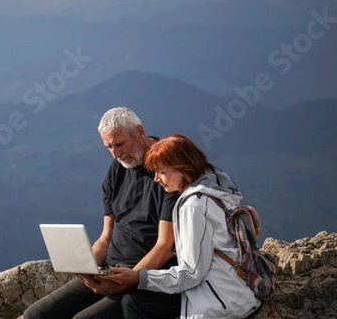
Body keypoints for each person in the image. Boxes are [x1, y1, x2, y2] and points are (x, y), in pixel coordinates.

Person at [23, 107, 181, 319]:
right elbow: (106, 236)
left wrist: (131, 278)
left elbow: (165, 245)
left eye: (119, 144)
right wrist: (86, 268)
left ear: (140, 132)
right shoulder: (117, 170)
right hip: (111, 270)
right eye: (109, 147)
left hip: (145, 276)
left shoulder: (168, 172)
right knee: (36, 314)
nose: (116, 154)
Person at [107, 134, 262, 319]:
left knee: (133, 303)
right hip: (232, 290)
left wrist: (139, 277)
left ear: (183, 169)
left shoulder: (194, 207)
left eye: (162, 172)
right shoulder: (214, 188)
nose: (156, 179)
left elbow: (191, 272)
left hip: (219, 303)